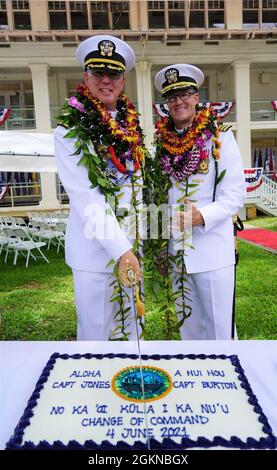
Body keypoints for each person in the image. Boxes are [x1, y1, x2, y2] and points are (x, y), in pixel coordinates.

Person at [54, 35, 145, 341]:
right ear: (86, 77)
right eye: (99, 73)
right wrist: (123, 251)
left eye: (114, 74)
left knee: (134, 329)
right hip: (94, 254)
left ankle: (133, 389)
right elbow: (85, 196)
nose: (106, 81)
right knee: (95, 336)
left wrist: (142, 244)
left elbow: (139, 188)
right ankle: (92, 391)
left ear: (123, 79)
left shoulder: (133, 127)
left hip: (134, 247)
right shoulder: (69, 130)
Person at [150, 63, 246, 340]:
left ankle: (228, 380)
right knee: (188, 330)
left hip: (212, 249)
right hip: (176, 253)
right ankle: (195, 379)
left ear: (196, 97)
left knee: (220, 330)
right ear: (166, 104)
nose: (178, 101)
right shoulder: (161, 143)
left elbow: (235, 194)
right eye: (171, 96)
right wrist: (160, 246)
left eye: (184, 94)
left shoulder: (220, 136)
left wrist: (201, 216)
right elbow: (158, 196)